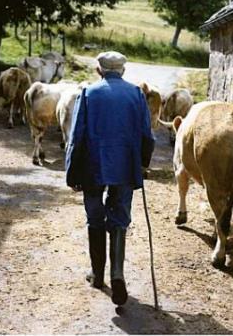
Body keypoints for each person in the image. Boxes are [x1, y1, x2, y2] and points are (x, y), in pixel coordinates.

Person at [65, 51, 155, 306]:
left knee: (95, 217)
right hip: (126, 167)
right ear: (123, 71)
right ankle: (118, 275)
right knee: (119, 218)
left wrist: (73, 173)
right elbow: (147, 136)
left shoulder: (88, 93)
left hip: (93, 167)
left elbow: (77, 136)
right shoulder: (137, 94)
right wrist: (143, 164)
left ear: (99, 71)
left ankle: (97, 274)